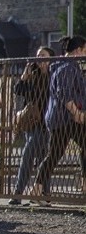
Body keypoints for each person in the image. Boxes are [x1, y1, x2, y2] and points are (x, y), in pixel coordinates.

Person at [33, 35, 86, 206]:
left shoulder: (62, 66)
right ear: (78, 50)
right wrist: (76, 113)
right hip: (66, 119)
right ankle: (37, 189)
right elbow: (64, 92)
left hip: (60, 119)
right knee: (54, 154)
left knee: (54, 154)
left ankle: (37, 189)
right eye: (85, 50)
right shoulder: (68, 67)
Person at [9, 46, 54, 205]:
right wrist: (24, 77)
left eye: (43, 55)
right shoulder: (32, 75)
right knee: (43, 158)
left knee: (28, 156)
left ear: (50, 59)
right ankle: (45, 193)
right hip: (31, 123)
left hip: (46, 124)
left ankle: (18, 193)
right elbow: (18, 91)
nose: (40, 58)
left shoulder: (53, 75)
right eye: (38, 55)